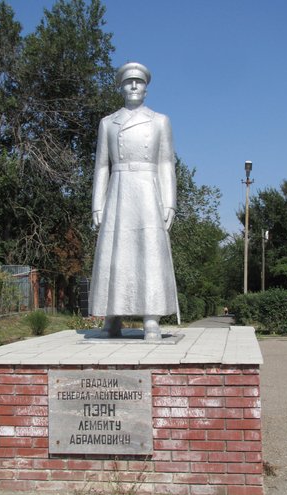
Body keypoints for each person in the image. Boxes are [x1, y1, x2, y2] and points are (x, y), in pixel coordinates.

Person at [89, 62, 179, 340]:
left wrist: (169, 202)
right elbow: (101, 166)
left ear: (146, 88)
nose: (134, 86)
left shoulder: (159, 121)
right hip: (118, 190)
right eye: (129, 82)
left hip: (147, 190)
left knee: (149, 252)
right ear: (121, 86)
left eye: (139, 82)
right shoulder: (108, 123)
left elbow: (166, 163)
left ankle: (151, 318)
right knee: (115, 254)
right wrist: (97, 203)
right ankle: (112, 316)